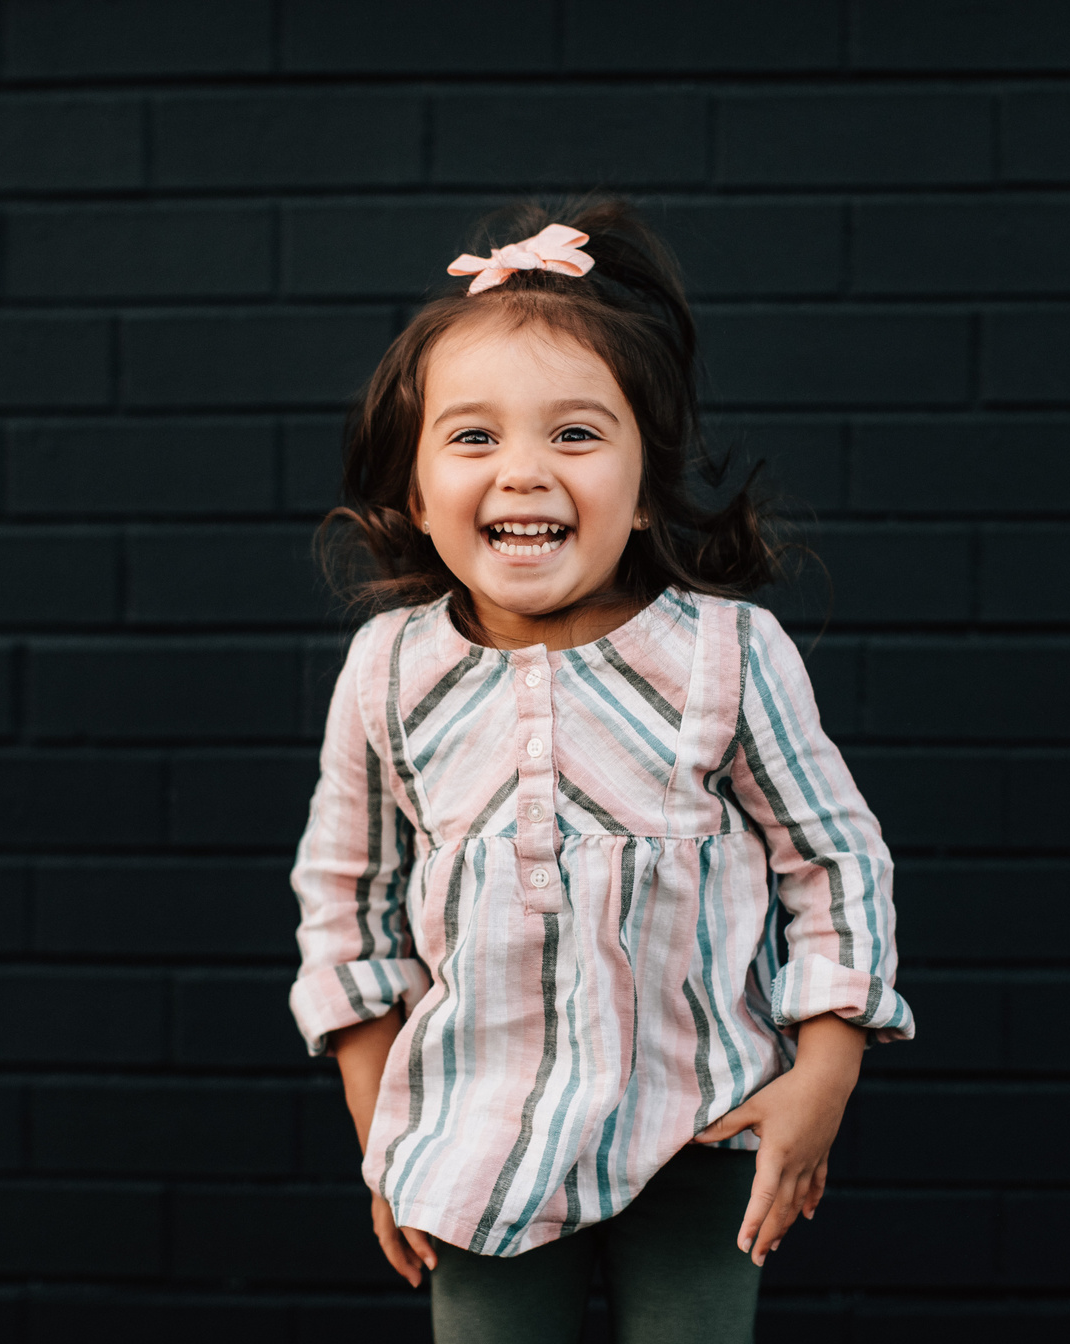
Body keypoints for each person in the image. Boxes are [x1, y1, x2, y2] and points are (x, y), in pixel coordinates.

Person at [288, 198, 912, 1344]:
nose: (523, 472)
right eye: (473, 438)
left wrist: (823, 1081)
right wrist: (387, 1126)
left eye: (575, 435)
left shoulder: (726, 655)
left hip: (706, 1125)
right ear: (417, 492)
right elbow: (345, 900)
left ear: (644, 480)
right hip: (473, 1141)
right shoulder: (389, 672)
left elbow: (834, 864)